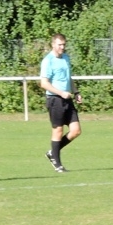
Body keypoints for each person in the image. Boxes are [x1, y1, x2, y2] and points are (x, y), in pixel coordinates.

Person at [40, 33, 82, 172]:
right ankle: (57, 164)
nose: (62, 47)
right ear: (53, 45)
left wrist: (76, 92)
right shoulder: (48, 61)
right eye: (59, 45)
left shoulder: (66, 58)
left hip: (67, 99)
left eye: (64, 45)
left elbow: (68, 78)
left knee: (76, 131)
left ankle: (52, 152)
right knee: (58, 131)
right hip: (55, 99)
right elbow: (44, 83)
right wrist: (61, 93)